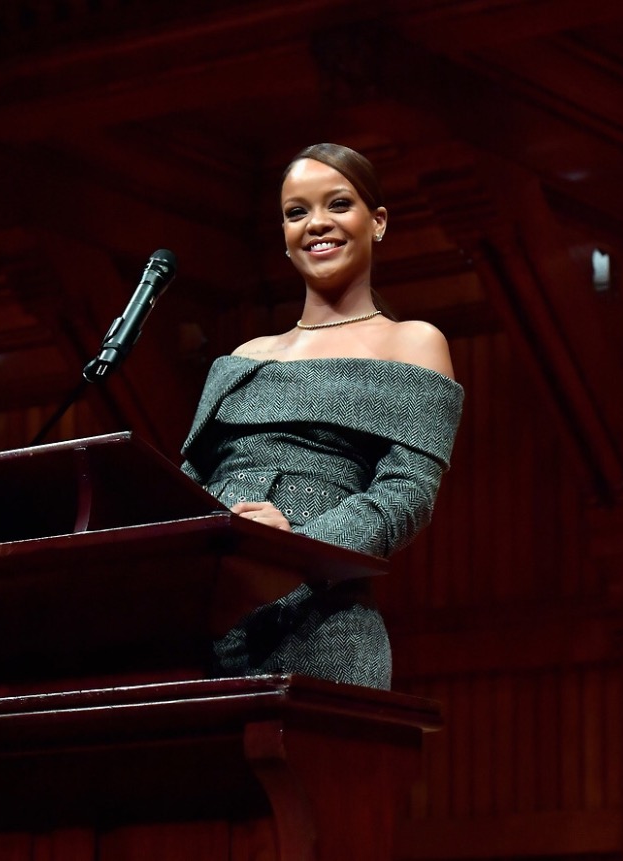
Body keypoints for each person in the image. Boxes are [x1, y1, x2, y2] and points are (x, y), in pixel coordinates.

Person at [180, 143, 464, 690]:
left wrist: (289, 553)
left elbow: (406, 497)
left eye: (338, 204)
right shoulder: (242, 358)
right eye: (297, 212)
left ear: (378, 222)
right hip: (206, 626)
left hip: (320, 626)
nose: (316, 223)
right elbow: (188, 483)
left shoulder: (412, 343)